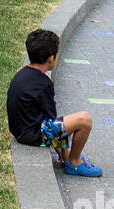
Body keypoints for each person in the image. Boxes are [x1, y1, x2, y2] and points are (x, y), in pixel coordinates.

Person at [7, 29, 102, 177]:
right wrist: (62, 150)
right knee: (84, 120)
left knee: (64, 121)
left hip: (20, 131)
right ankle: (74, 162)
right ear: (51, 58)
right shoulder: (44, 84)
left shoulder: (22, 74)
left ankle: (67, 155)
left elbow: (52, 122)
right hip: (32, 135)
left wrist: (62, 151)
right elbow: (52, 122)